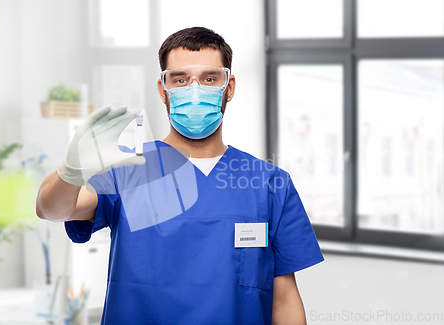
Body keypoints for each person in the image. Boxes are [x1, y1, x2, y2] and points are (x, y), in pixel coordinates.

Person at [36, 27, 324, 325]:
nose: (195, 90)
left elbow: (284, 299)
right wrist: (71, 170)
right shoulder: (128, 167)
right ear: (163, 89)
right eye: (181, 79)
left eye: (209, 78)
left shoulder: (269, 183)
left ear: (229, 86)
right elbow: (52, 210)